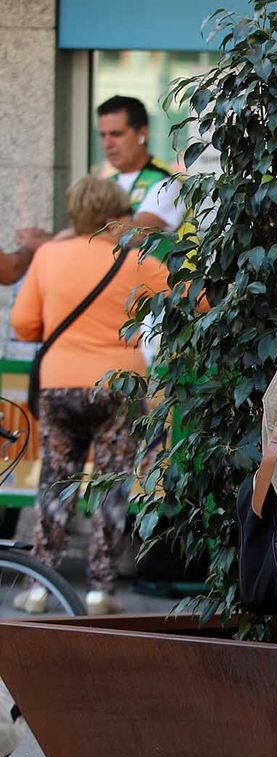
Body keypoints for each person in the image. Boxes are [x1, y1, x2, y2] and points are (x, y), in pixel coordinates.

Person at [10, 176, 170, 615]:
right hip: (119, 386)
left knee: (55, 481)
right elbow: (198, 302)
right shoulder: (137, 261)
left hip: (59, 384)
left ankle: (40, 586)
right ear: (116, 216)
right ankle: (101, 589)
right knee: (112, 483)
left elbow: (23, 324)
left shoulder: (48, 256)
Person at [95, 96, 182, 233]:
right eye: (102, 135)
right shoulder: (105, 184)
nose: (107, 144)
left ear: (142, 133)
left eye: (116, 134)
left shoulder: (167, 183)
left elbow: (136, 235)